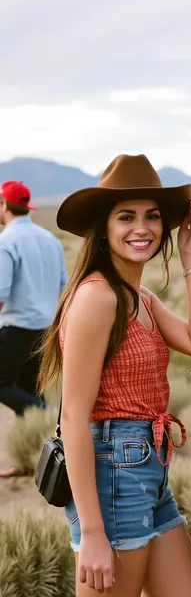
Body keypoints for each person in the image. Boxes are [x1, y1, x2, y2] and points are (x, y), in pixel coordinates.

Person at [38, 154, 191, 597]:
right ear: (104, 226)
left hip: (147, 471)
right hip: (113, 473)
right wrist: (94, 532)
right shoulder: (97, 298)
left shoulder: (139, 297)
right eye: (127, 217)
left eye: (153, 216)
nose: (143, 228)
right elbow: (75, 415)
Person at [0, 180, 67, 478]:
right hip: (45, 330)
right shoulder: (50, 239)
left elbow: (0, 293)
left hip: (17, 327)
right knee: (26, 392)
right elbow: (63, 287)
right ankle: (28, 460)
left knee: (12, 389)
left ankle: (46, 415)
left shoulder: (6, 241)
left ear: (4, 206)